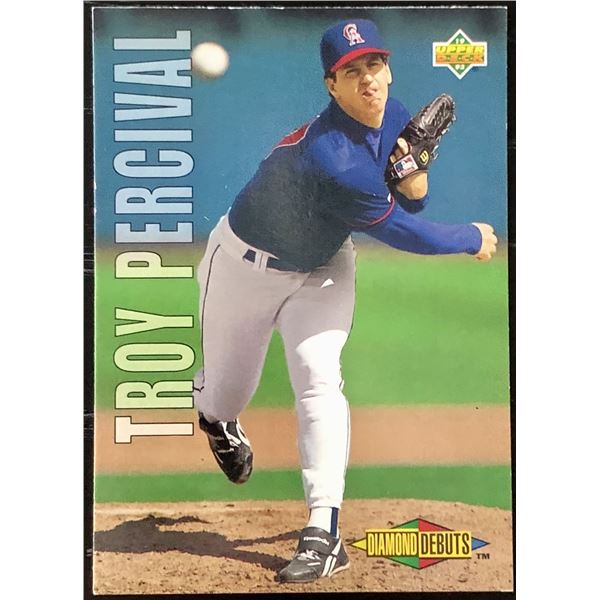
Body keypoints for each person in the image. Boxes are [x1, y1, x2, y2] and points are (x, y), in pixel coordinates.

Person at [192, 18, 497, 584]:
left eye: (374, 64)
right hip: (242, 267)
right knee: (227, 395)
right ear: (331, 86)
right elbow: (406, 231)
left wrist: (414, 173)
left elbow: (412, 201)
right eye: (351, 71)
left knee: (318, 378)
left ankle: (322, 530)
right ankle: (214, 416)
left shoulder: (395, 114)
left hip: (323, 269)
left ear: (389, 70)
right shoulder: (333, 156)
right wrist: (471, 237)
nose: (368, 79)